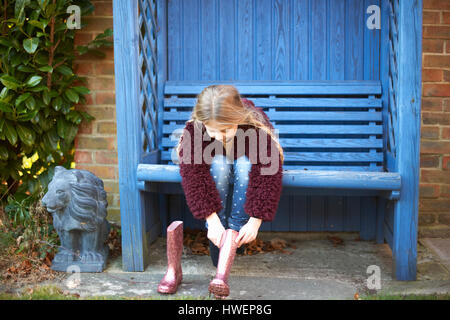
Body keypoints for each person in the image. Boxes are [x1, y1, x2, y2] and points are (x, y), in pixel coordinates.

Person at [175, 84, 284, 298]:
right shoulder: (196, 128)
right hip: (219, 172)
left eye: (224, 130)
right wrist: (212, 221)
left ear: (238, 118)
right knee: (219, 165)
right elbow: (194, 175)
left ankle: (234, 239)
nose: (217, 136)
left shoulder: (255, 124)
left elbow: (268, 170)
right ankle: (219, 240)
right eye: (211, 130)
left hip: (245, 171)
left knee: (244, 165)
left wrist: (255, 220)